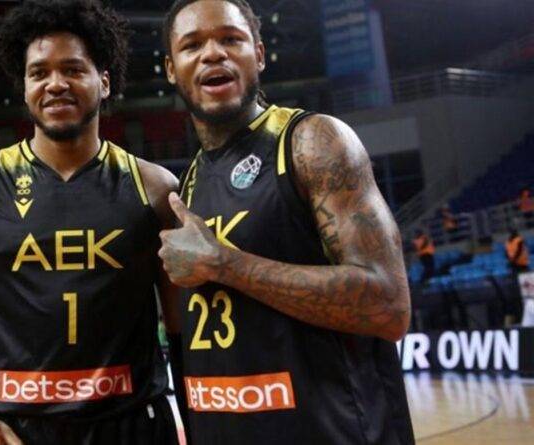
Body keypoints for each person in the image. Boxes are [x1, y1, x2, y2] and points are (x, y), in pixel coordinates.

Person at [0, 1, 182, 444]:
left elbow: (182, 333)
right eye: (39, 73)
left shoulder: (156, 189)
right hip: (19, 433)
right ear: (24, 88)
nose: (55, 84)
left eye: (73, 69)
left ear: (104, 81)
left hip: (136, 429)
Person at [157, 0, 414, 443]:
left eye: (231, 39)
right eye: (192, 45)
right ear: (170, 69)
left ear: (258, 54)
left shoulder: (313, 142)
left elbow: (388, 307)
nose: (213, 53)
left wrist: (224, 263)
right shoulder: (191, 179)